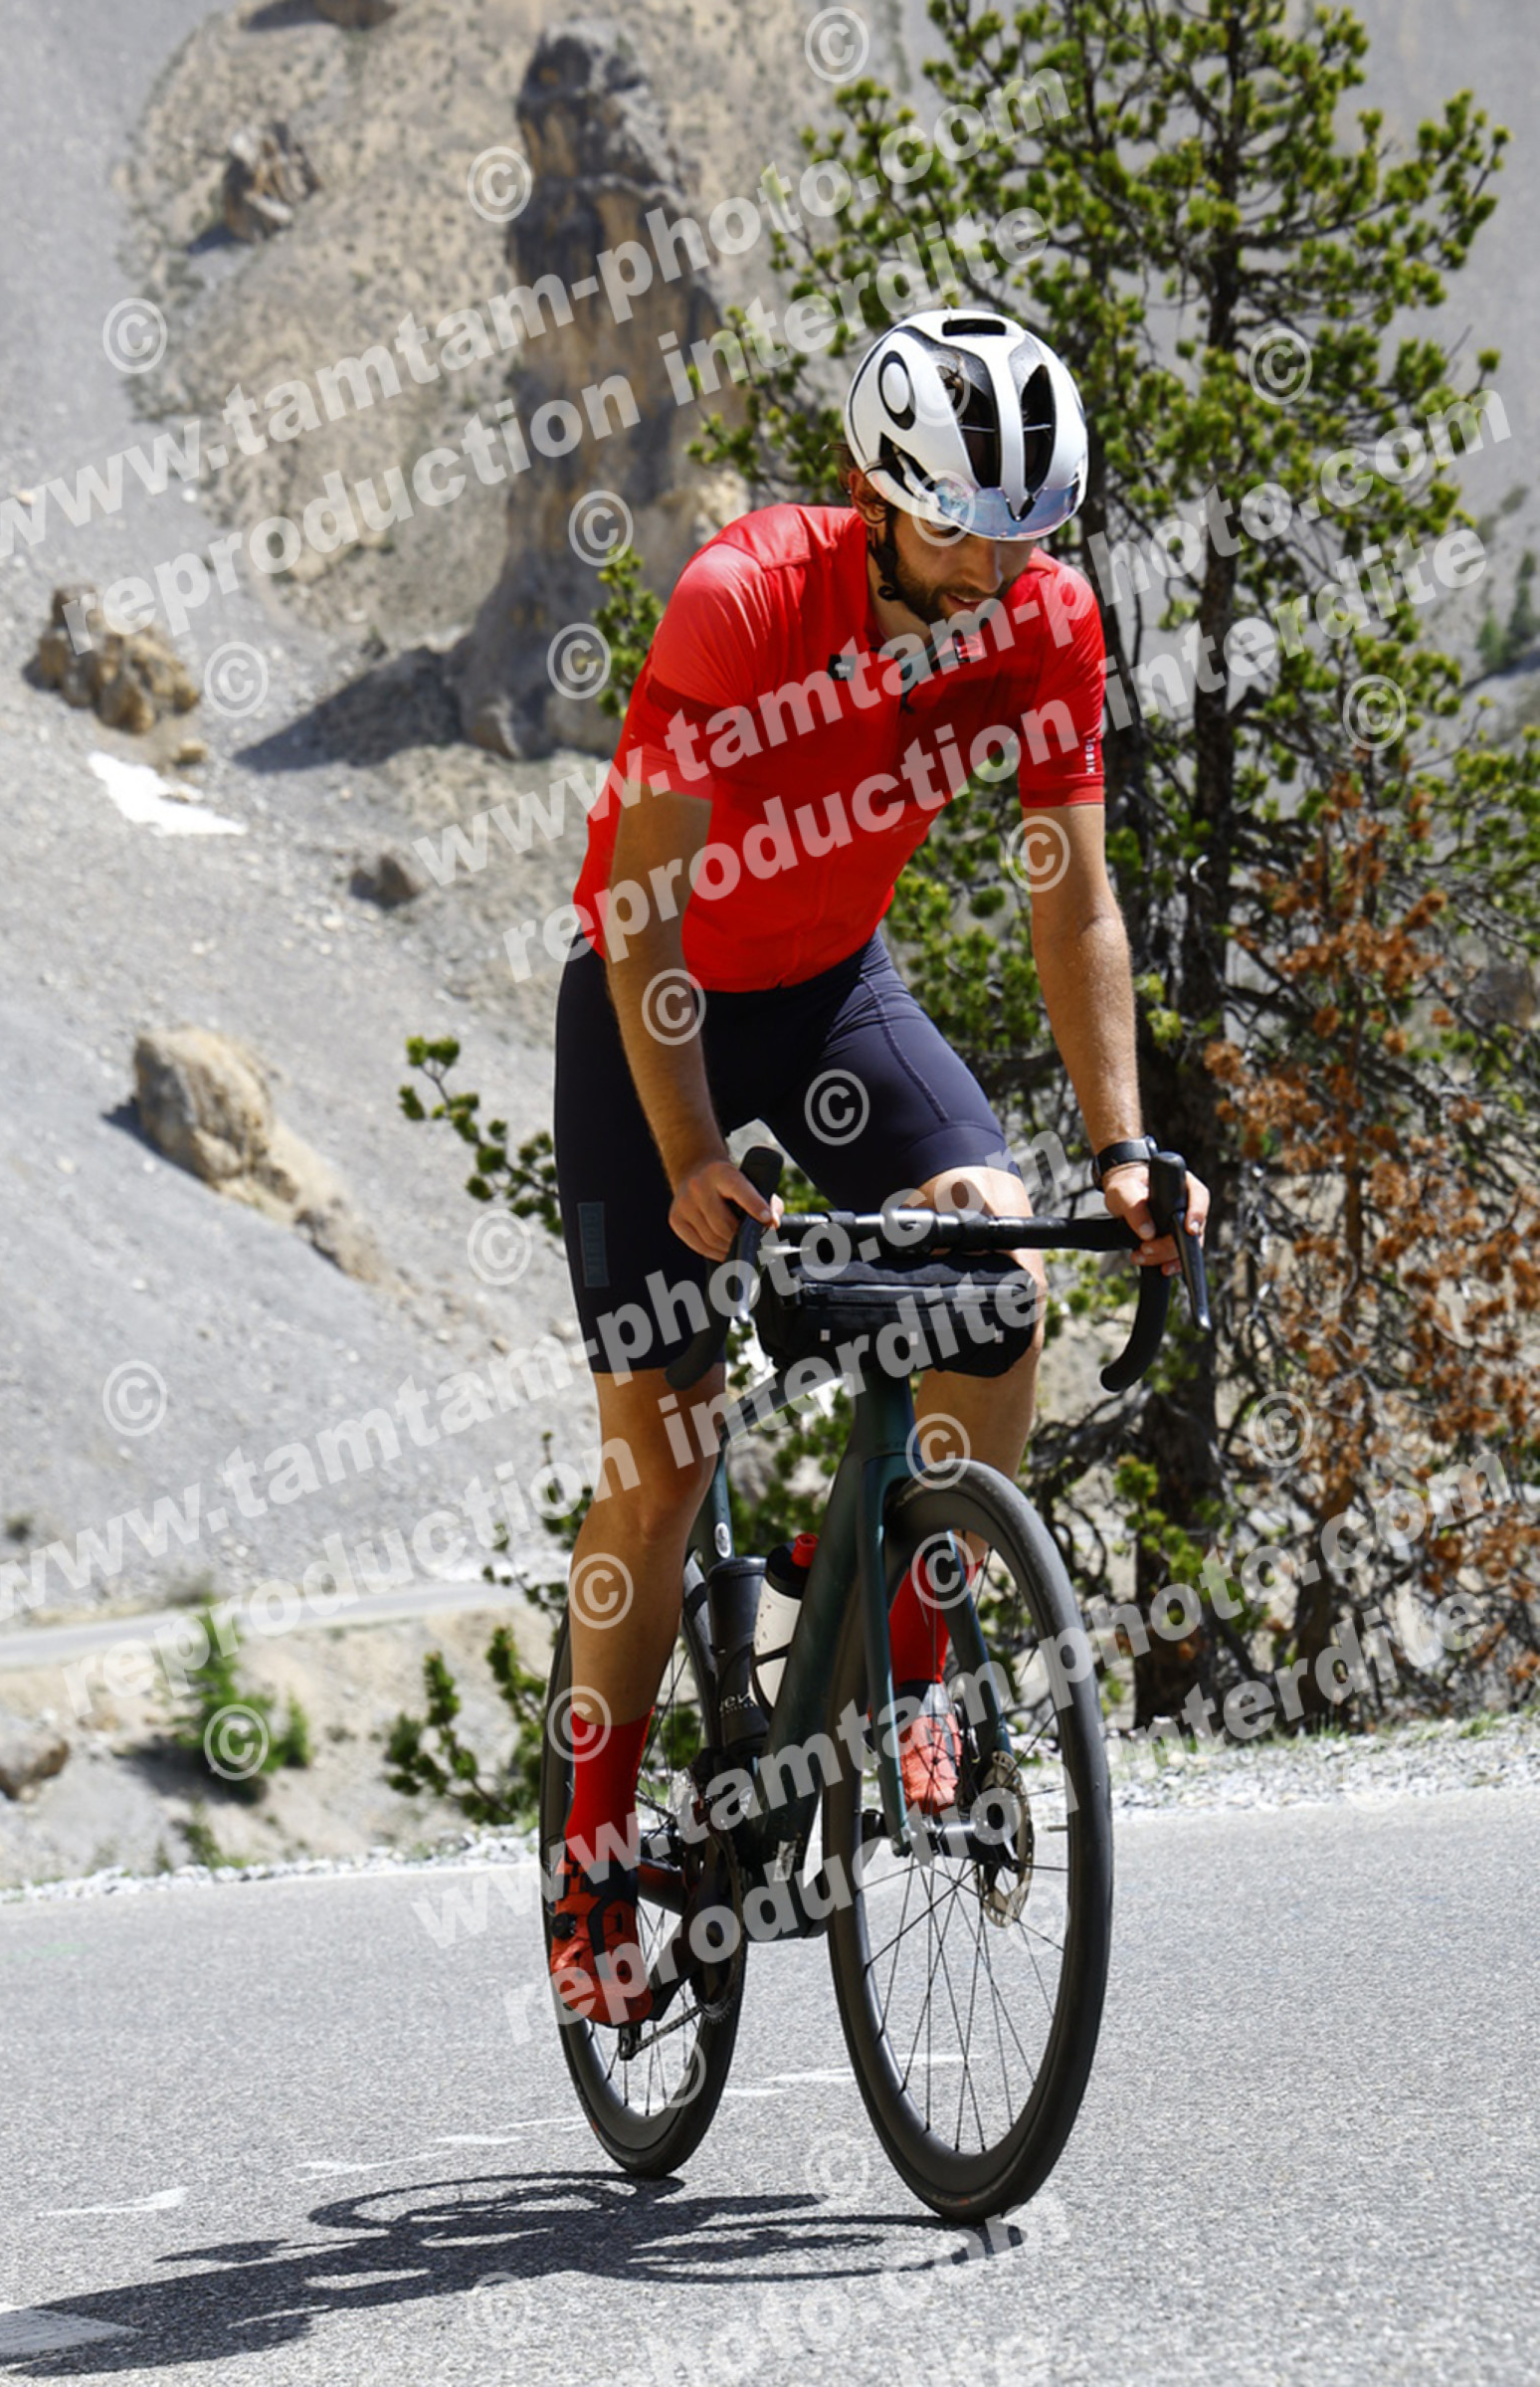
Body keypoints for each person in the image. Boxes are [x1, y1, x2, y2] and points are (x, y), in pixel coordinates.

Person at [546, 306, 1209, 2025]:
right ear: (872, 496)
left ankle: (906, 1671)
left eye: (1026, 535)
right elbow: (641, 910)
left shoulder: (1044, 621)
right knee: (665, 1453)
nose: (992, 571)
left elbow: (1075, 899)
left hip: (837, 995)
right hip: (658, 1006)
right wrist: (690, 1152)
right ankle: (592, 1848)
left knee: (1001, 1287)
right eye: (956, 532)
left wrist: (1125, 1149)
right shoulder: (746, 601)